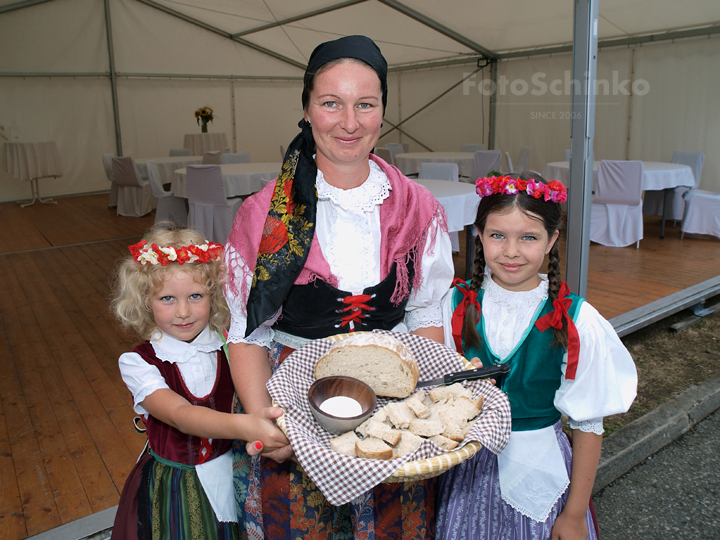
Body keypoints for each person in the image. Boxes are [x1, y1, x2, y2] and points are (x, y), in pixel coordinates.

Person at [223, 36, 454, 538]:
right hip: (291, 400)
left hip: (391, 396)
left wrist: (425, 406)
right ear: (307, 109)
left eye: (365, 104)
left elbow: (426, 314)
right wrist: (266, 419)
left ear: (382, 111)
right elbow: (245, 332)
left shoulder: (418, 207)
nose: (349, 123)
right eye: (331, 103)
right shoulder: (264, 215)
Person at [436, 172, 638, 540]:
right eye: (498, 235)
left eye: (528, 237)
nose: (511, 251)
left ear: (551, 241)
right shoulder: (453, 305)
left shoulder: (576, 319)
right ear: (479, 235)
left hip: (539, 466)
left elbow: (588, 424)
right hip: (466, 468)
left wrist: (574, 514)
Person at [109, 225, 286, 540]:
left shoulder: (231, 346)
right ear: (146, 300)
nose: (183, 311)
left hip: (235, 471)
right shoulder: (139, 362)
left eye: (195, 296)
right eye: (167, 298)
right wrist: (248, 425)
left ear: (214, 294)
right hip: (179, 485)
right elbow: (180, 415)